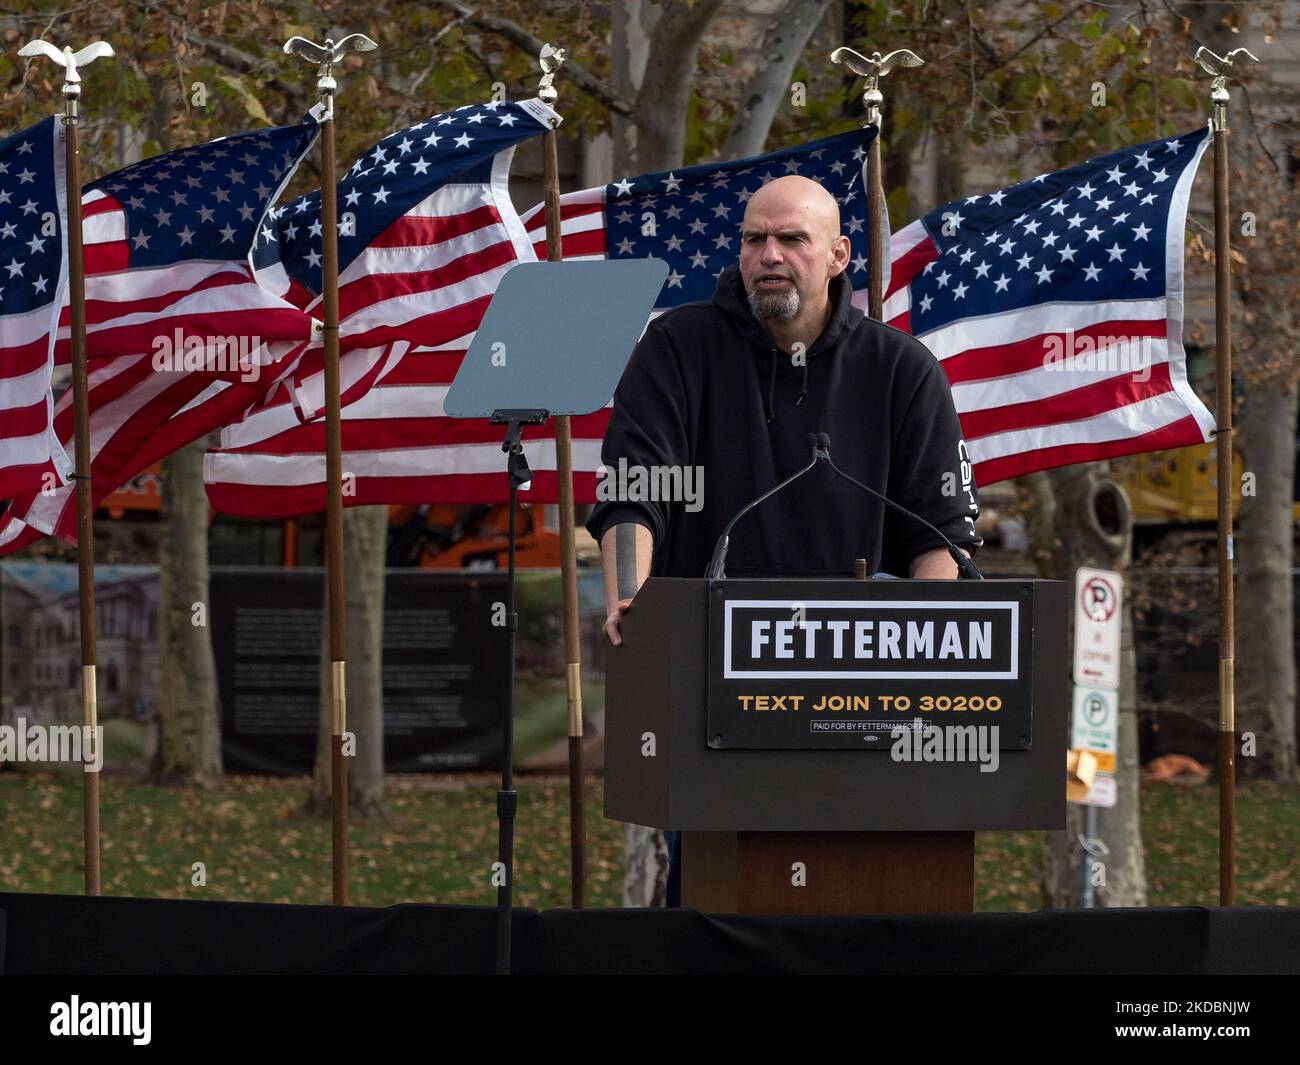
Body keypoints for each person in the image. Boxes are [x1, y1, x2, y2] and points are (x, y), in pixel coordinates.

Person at [587, 175, 982, 907]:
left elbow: (939, 538)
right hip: (708, 691)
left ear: (837, 256)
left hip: (858, 700)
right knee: (715, 908)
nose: (768, 254)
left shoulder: (900, 370)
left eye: (791, 239)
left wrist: (932, 644)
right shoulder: (678, 347)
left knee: (848, 908)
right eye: (752, 239)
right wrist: (630, 598)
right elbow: (635, 493)